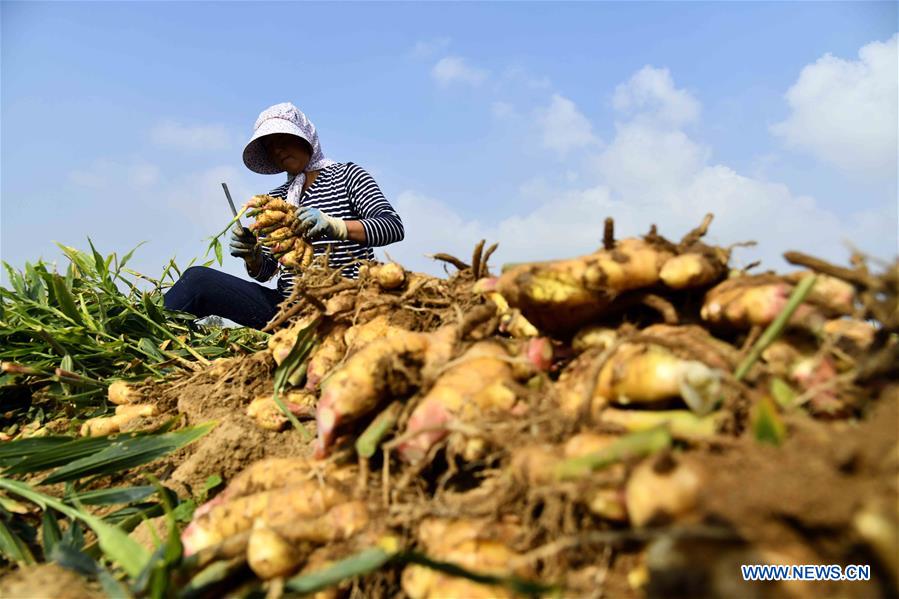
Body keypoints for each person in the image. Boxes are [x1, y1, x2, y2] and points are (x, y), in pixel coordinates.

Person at [163, 102, 404, 329]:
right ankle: (147, 335)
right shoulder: (275, 200)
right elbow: (267, 271)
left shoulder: (347, 176)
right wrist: (253, 256)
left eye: (283, 139)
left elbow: (392, 226)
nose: (277, 150)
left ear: (305, 137)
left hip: (345, 306)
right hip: (287, 311)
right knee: (197, 281)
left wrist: (335, 226)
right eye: (270, 146)